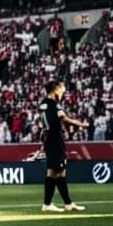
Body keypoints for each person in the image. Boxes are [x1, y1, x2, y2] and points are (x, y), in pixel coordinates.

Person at [41, 80, 89, 212]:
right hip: (55, 140)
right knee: (54, 172)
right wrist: (80, 124)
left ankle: (67, 203)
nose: (63, 93)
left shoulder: (43, 104)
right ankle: (48, 204)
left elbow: (48, 122)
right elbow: (63, 117)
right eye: (62, 90)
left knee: (59, 172)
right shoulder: (53, 104)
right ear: (56, 90)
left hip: (50, 139)